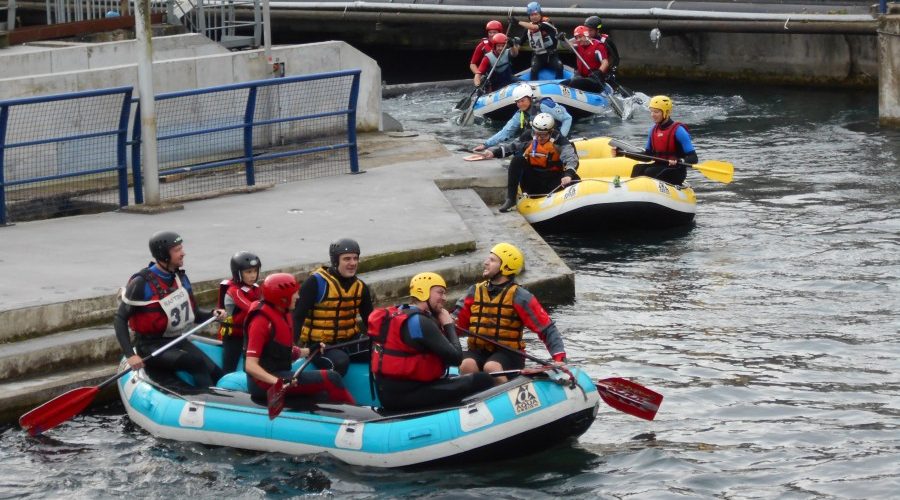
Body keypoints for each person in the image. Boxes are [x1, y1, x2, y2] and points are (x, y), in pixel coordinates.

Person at [114, 231, 226, 389]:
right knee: (195, 362)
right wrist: (130, 355)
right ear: (163, 254)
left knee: (217, 373)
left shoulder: (181, 278)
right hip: (150, 346)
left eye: (181, 248)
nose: (183, 253)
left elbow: (195, 314)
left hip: (176, 340)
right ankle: (209, 399)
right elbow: (120, 319)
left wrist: (212, 314)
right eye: (177, 250)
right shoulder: (141, 283)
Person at [369, 272, 494, 411]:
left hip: (389, 394)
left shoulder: (400, 312)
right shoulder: (420, 321)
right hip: (409, 395)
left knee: (454, 377)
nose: (444, 298)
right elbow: (456, 358)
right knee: (484, 380)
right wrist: (448, 324)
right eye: (440, 293)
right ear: (423, 292)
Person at [454, 243, 567, 384]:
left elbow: (546, 328)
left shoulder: (520, 296)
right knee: (466, 365)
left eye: (492, 260)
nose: (485, 263)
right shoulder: (474, 291)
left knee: (492, 367)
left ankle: (505, 394)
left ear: (506, 267)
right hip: (477, 351)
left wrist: (559, 358)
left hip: (509, 354)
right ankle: (473, 395)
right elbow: (458, 323)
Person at [245, 273, 355, 404]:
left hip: (280, 373)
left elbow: (284, 351)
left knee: (322, 394)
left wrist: (310, 350)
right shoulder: (260, 322)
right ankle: (354, 412)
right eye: (295, 293)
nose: (298, 297)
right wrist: (279, 382)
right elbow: (250, 366)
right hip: (263, 383)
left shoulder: (282, 313)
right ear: (283, 298)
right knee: (331, 377)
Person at [294, 238, 373, 376]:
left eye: (355, 258)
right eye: (347, 259)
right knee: (340, 361)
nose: (353, 263)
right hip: (321, 346)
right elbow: (297, 317)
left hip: (350, 341)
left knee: (382, 352)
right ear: (336, 261)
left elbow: (371, 321)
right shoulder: (315, 283)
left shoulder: (360, 287)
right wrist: (291, 347)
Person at [478, 112, 579, 213]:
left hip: (553, 180)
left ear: (551, 131)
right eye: (536, 134)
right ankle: (511, 200)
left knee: (574, 178)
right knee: (517, 159)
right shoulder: (528, 136)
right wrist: (493, 152)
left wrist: (568, 175)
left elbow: (571, 159)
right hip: (532, 180)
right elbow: (512, 147)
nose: (539, 138)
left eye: (543, 135)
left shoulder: (560, 141)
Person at [473, 83, 572, 151]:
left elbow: (567, 118)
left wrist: (559, 140)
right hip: (540, 140)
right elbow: (506, 132)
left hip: (556, 138)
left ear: (530, 98)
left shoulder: (544, 105)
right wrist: (485, 145)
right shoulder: (520, 114)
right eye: (518, 102)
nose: (520, 104)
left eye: (522, 101)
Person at [625, 95, 698, 185]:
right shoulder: (653, 130)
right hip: (659, 166)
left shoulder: (679, 130)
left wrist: (680, 161)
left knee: (649, 172)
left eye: (656, 112)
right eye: (651, 111)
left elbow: (694, 158)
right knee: (637, 168)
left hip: (676, 171)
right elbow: (647, 156)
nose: (652, 115)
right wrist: (624, 153)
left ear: (666, 112)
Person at [216, 251, 262, 373]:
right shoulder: (234, 290)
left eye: (255, 271)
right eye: (248, 272)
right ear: (238, 273)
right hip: (234, 336)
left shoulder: (255, 288)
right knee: (229, 367)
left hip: (248, 333)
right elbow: (251, 308)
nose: (253, 275)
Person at [516, 2, 563, 80]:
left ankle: (560, 84)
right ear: (529, 16)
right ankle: (533, 86)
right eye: (532, 15)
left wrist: (518, 22)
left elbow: (535, 27)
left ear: (540, 14)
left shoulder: (547, 23)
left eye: (536, 14)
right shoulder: (527, 29)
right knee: (534, 70)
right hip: (538, 56)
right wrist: (513, 48)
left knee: (559, 67)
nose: (534, 17)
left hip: (552, 55)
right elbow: (521, 42)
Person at [560, 25, 609, 93]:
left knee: (575, 82)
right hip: (581, 76)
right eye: (576, 38)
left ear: (587, 36)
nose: (578, 40)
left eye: (580, 37)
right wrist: (562, 39)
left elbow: (605, 63)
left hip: (595, 79)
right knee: (562, 84)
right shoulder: (579, 44)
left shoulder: (598, 46)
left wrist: (598, 72)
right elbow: (567, 45)